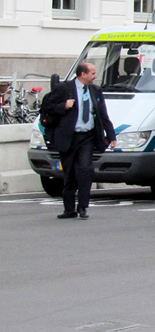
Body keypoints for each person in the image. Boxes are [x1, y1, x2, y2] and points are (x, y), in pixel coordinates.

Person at [41, 62, 116, 219]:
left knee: (85, 170)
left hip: (87, 137)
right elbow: (47, 106)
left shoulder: (95, 90)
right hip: (69, 137)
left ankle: (83, 207)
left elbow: (103, 114)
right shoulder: (64, 88)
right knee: (69, 174)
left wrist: (111, 135)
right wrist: (64, 106)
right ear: (83, 74)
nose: (95, 77)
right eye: (93, 73)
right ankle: (69, 209)